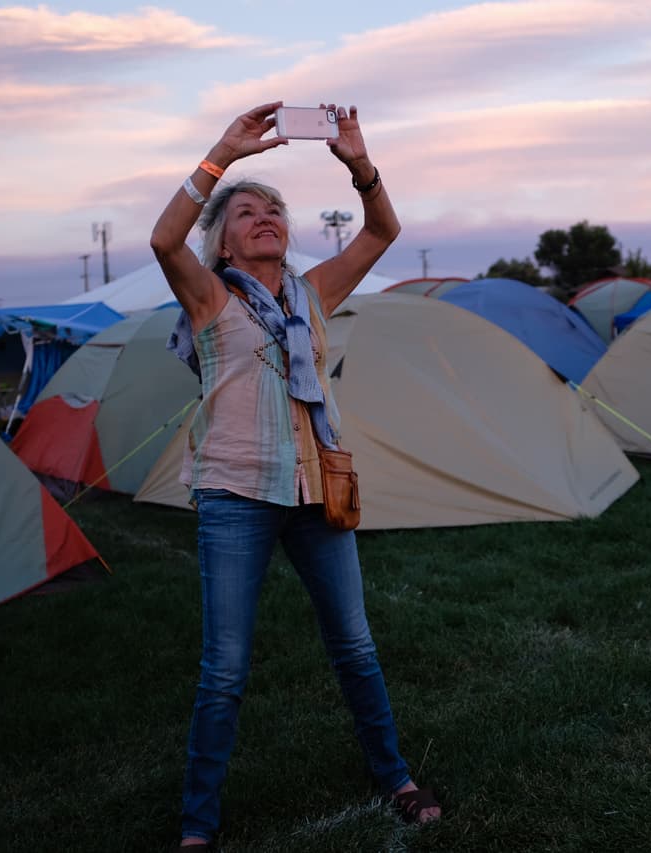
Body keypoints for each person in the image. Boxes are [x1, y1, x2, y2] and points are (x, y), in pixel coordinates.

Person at [151, 102, 441, 850]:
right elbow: (162, 237)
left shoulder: (311, 294)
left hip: (318, 492)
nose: (264, 216)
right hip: (235, 494)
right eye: (246, 212)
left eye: (273, 209)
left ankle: (395, 775)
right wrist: (223, 153)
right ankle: (197, 827)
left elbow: (382, 232)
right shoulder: (210, 295)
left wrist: (359, 165)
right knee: (225, 670)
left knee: (356, 646)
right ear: (224, 238)